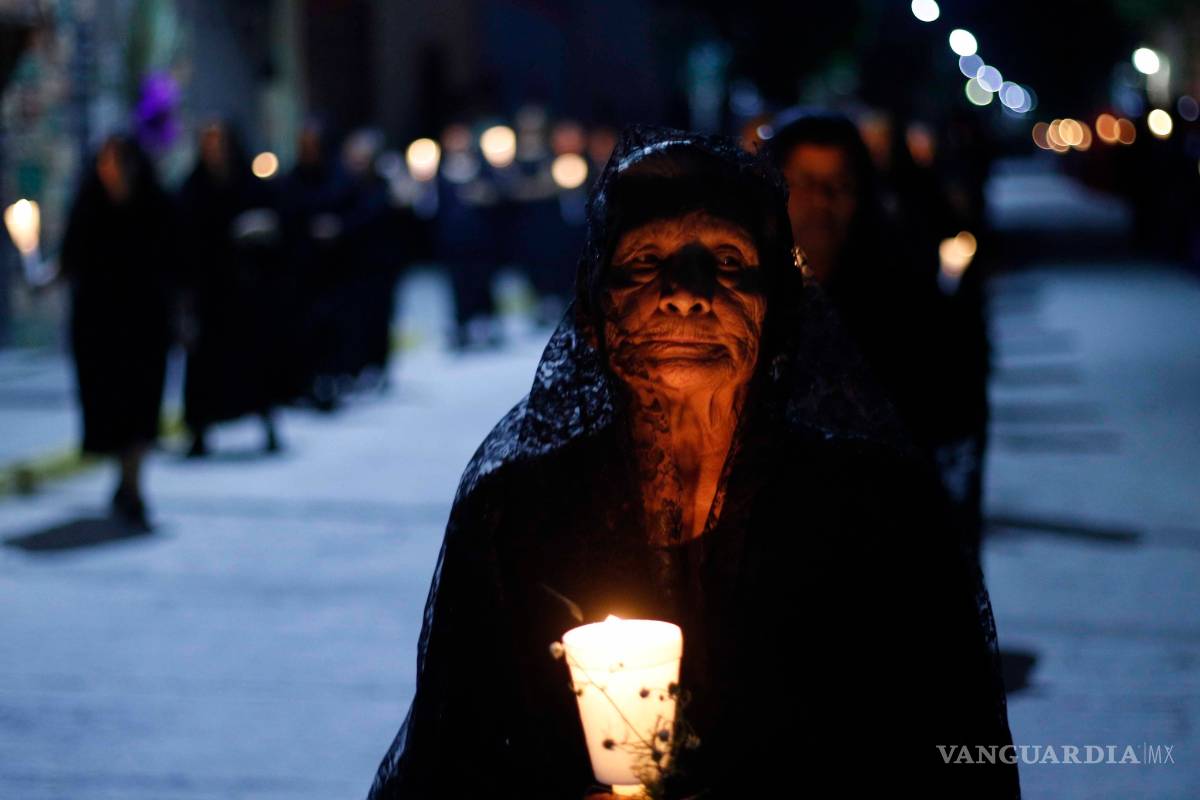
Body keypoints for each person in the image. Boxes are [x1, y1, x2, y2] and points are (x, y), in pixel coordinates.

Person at [368, 126, 1019, 798]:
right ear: (595, 309)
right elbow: (457, 758)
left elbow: (946, 757)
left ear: (776, 311)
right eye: (647, 261)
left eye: (728, 262)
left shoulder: (873, 509)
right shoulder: (518, 511)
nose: (686, 293)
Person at [768, 110, 992, 569]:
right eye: (804, 184)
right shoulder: (747, 300)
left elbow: (946, 415)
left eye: (840, 185)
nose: (822, 202)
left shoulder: (901, 299)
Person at [59, 134, 177, 530]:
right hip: (99, 328)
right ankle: (124, 479)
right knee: (111, 406)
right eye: (107, 162)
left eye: (120, 162)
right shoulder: (89, 206)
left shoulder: (154, 205)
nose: (114, 170)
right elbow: (70, 260)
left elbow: (175, 261)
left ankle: (133, 485)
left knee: (141, 406)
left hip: (144, 325)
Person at [177, 121, 285, 456]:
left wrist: (256, 232)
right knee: (204, 366)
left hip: (245, 290)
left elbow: (275, 224)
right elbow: (182, 239)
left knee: (254, 361)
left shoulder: (249, 184)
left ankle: (267, 422)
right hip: (209, 292)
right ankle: (199, 432)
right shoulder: (193, 188)